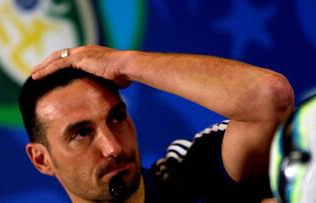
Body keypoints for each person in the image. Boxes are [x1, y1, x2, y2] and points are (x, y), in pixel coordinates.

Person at [19, 45, 294, 203]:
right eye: (81, 134)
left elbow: (269, 98)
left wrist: (124, 62)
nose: (112, 147)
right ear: (42, 159)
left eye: (116, 118)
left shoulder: (187, 175)